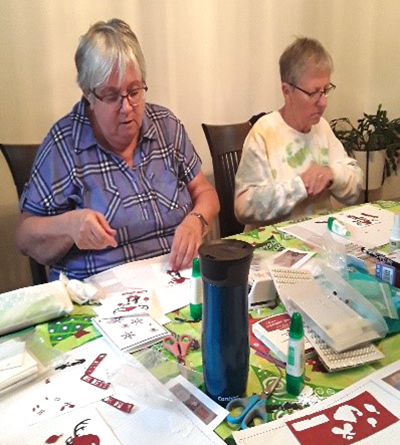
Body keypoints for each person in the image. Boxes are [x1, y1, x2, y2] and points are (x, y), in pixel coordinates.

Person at [16, 18, 219, 281]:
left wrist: (197, 219)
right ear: (89, 95)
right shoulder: (64, 145)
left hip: (176, 282)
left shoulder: (165, 126)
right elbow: (23, 236)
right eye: (112, 96)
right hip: (102, 294)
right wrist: (70, 225)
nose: (127, 107)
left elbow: (205, 191)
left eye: (134, 91)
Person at [234, 37, 362, 230]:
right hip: (275, 249)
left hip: (320, 241)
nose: (323, 102)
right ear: (287, 91)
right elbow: (243, 207)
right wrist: (300, 186)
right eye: (314, 93)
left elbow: (354, 188)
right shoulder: (264, 133)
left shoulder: (322, 128)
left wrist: (332, 174)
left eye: (325, 90)